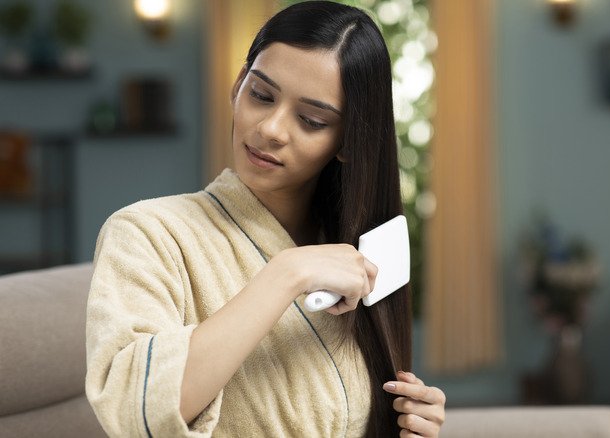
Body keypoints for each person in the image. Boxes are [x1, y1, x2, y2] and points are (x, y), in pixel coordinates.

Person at [85, 1, 446, 437]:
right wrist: (285, 275)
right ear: (238, 87)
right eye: (261, 95)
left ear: (347, 140)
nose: (272, 129)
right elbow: (132, 413)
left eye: (311, 120)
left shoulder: (355, 261)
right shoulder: (146, 234)